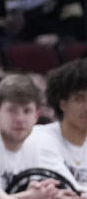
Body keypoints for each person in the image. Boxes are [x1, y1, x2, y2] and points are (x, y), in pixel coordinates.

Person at [36, 58, 87, 188]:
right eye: (79, 99)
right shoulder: (41, 138)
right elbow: (67, 189)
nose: (86, 107)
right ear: (63, 104)